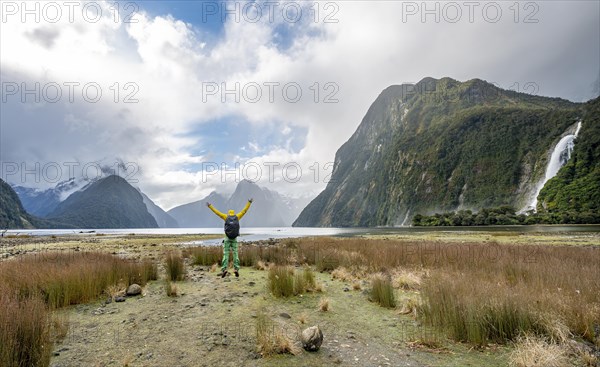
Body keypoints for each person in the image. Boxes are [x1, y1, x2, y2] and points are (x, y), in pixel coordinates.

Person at [206, 198, 253, 278]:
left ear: (229, 213)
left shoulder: (225, 217)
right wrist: (249, 202)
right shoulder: (237, 217)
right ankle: (236, 269)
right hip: (234, 238)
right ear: (233, 213)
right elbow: (244, 211)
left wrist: (210, 206)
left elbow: (217, 213)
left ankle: (224, 269)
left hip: (227, 238)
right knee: (235, 254)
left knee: (226, 254)